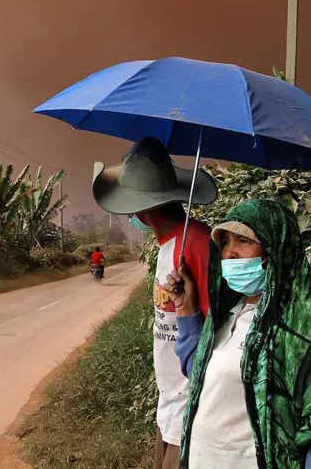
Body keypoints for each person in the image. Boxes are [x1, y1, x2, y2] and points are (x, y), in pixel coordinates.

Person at [166, 199, 311, 469]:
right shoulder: (228, 314)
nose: (230, 253)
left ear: (275, 248)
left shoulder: (304, 327)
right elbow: (202, 376)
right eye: (225, 243)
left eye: (243, 241)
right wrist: (187, 311)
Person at [92, 137, 218, 469]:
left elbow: (214, 331)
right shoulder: (167, 247)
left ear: (140, 206)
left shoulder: (197, 243)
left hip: (192, 403)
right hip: (170, 401)